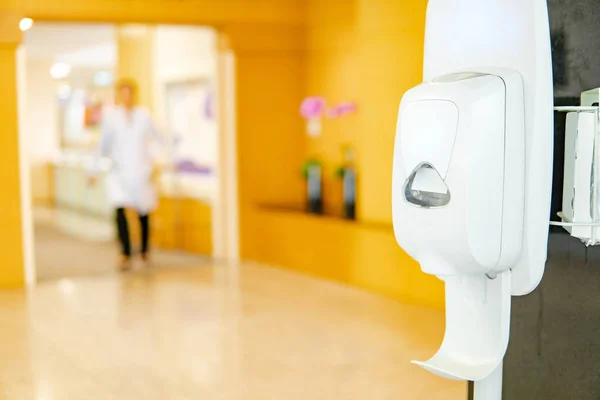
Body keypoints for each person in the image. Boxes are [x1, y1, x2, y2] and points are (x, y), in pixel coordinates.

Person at [89, 79, 161, 271]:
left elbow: (156, 140)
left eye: (130, 93)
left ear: (134, 95)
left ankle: (144, 250)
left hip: (141, 171)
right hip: (119, 172)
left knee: (143, 213)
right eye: (123, 94)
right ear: (119, 96)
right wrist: (93, 170)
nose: (127, 97)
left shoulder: (144, 115)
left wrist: (153, 162)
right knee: (119, 210)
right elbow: (102, 145)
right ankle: (125, 252)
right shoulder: (112, 118)